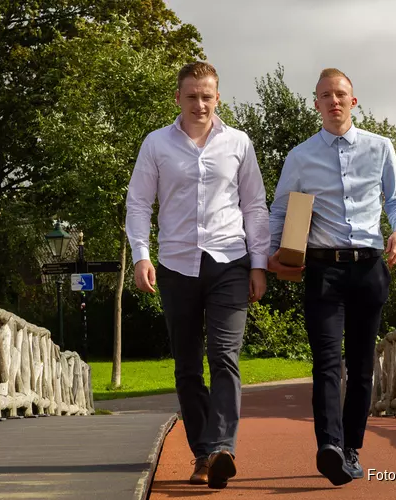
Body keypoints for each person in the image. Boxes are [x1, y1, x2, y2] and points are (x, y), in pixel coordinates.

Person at [125, 61, 270, 489]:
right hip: (175, 265)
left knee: (224, 356)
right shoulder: (156, 145)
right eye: (191, 96)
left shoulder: (239, 143)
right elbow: (138, 204)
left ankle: (223, 446)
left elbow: (254, 206)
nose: (199, 104)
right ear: (178, 98)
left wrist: (258, 263)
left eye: (207, 96)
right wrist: (141, 255)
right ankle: (203, 455)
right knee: (187, 366)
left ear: (218, 98)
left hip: (229, 261)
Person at [267, 68, 396, 486]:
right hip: (322, 268)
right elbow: (280, 211)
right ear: (315, 104)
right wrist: (271, 256)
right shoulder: (300, 156)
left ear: (354, 101)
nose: (333, 101)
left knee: (362, 366)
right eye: (325, 95)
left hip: (369, 266)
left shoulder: (381, 148)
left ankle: (351, 447)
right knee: (327, 363)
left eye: (340, 94)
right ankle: (329, 446)